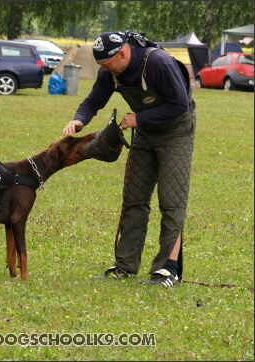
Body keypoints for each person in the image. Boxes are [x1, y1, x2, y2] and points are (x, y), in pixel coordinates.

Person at [63, 31, 196, 287]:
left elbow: (179, 104)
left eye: (106, 64)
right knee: (134, 199)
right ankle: (125, 266)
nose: (104, 70)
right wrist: (79, 119)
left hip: (176, 131)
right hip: (145, 133)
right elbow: (94, 100)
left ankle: (168, 270)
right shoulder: (110, 71)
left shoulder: (158, 63)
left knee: (172, 201)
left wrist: (139, 119)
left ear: (122, 53)